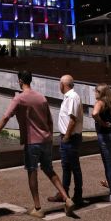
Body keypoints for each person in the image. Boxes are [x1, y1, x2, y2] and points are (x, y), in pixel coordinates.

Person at [0, 70, 74, 218]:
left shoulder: (19, 99)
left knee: (32, 171)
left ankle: (38, 208)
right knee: (49, 170)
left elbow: (5, 117)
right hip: (46, 140)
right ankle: (66, 198)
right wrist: (48, 137)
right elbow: (50, 120)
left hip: (32, 142)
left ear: (20, 81)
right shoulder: (41, 98)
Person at [48, 75, 84, 205]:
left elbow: (73, 119)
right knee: (66, 167)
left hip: (71, 138)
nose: (59, 86)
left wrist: (67, 136)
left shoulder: (73, 97)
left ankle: (78, 195)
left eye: (59, 83)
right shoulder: (68, 97)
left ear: (63, 84)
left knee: (74, 167)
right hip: (68, 137)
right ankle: (64, 193)